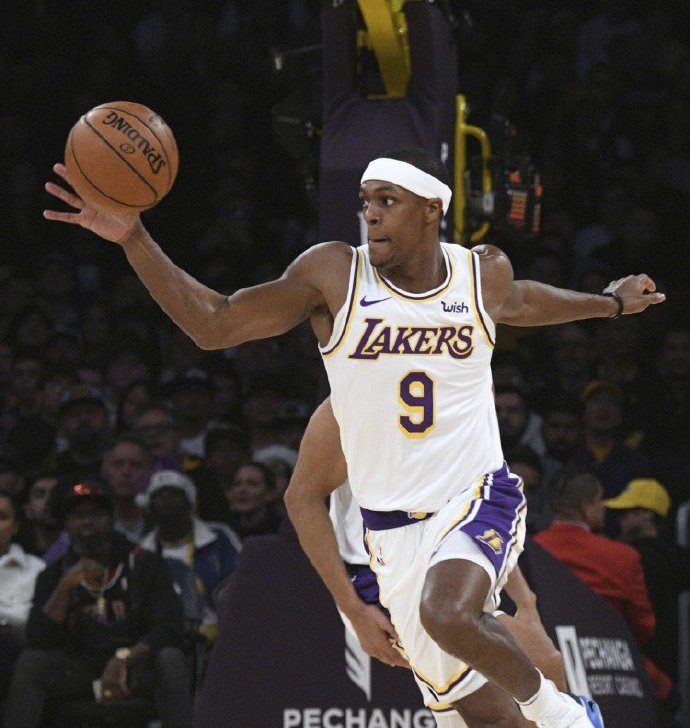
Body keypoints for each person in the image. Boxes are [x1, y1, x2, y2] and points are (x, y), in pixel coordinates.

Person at [44, 146, 665, 726]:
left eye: (387, 201)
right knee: (482, 716)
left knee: (448, 613)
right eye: (365, 201)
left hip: (477, 496)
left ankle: (565, 715)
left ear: (432, 209)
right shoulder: (335, 274)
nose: (370, 214)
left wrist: (609, 303)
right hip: (391, 538)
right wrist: (134, 238)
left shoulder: (480, 273)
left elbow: (524, 301)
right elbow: (216, 323)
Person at [285, 398, 567, 727]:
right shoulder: (350, 400)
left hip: (445, 558)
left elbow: (478, 502)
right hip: (380, 576)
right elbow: (300, 498)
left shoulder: (454, 392)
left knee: (540, 669)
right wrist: (353, 609)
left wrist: (525, 600)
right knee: (501, 708)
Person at [2, 481, 192, 728]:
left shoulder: (146, 563)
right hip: (80, 670)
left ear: (113, 519)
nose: (87, 523)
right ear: (66, 525)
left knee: (170, 658)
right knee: (31, 662)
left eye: (96, 514)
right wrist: (64, 587)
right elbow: (39, 639)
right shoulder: (53, 573)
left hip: (136, 666)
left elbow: (169, 627)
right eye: (78, 516)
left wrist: (123, 660)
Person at [533, 469, 672, 706]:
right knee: (669, 695)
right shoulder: (624, 556)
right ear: (587, 506)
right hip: (613, 671)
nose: (604, 509)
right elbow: (643, 627)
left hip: (544, 668)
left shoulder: (528, 552)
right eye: (600, 501)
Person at [137, 469, 242, 642]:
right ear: (149, 506)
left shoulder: (219, 536)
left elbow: (240, 582)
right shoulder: (141, 552)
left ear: (189, 502)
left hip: (224, 632)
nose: (166, 500)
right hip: (167, 638)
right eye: (159, 496)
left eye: (174, 494)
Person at [604, 478, 690, 684]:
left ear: (647, 514)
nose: (621, 520)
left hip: (641, 659)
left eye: (628, 513)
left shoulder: (634, 558)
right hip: (671, 663)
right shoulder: (678, 557)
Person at [0, 489, 46, 707]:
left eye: (2, 517)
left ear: (16, 526)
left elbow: (33, 624)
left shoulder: (36, 569)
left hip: (12, 655)